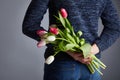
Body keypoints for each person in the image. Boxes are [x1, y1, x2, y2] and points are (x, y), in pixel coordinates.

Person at [22, 0, 120, 80]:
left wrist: (74, 50)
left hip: (65, 66)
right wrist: (93, 50)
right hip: (90, 64)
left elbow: (30, 25)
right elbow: (115, 27)